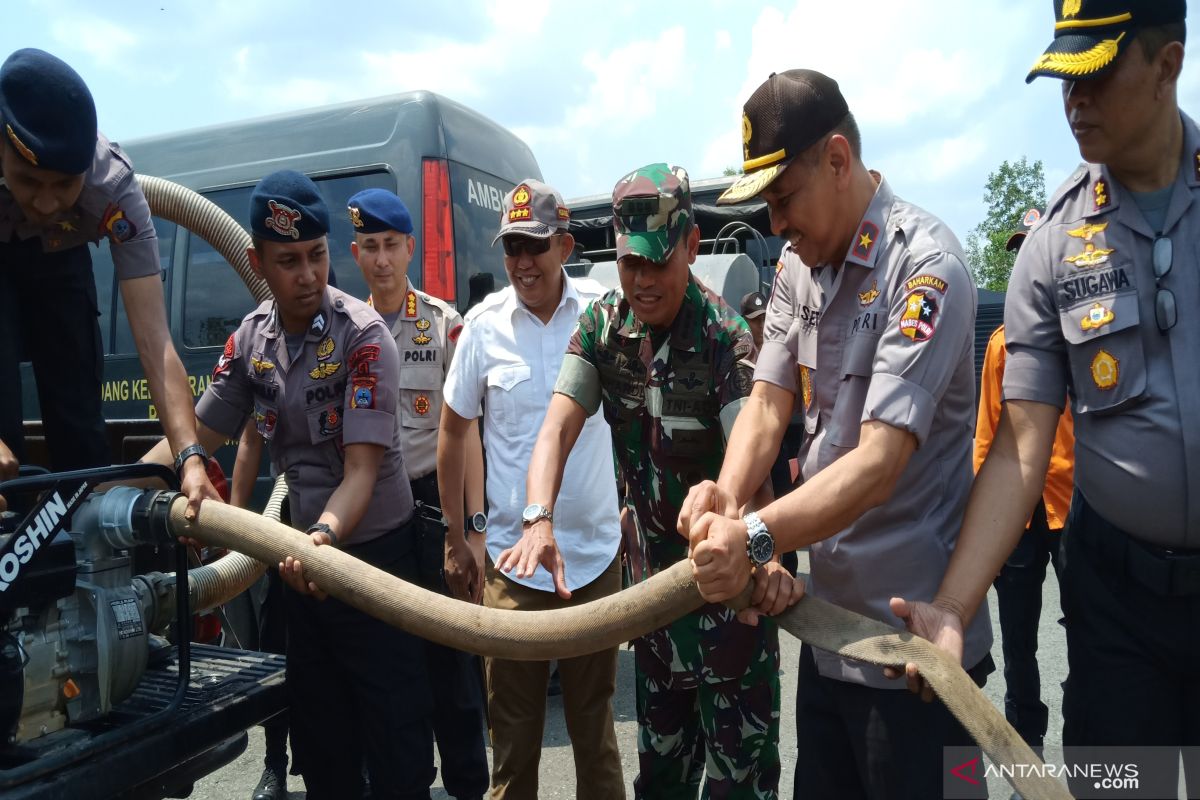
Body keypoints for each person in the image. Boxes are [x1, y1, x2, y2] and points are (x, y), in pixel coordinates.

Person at [895, 2, 1199, 794]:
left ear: (1168, 64)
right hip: (1117, 608)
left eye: (1095, 74)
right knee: (1124, 783)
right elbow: (1023, 445)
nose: (1074, 100)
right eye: (1064, 79)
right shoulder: (1052, 244)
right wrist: (955, 607)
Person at [679, 70, 993, 799]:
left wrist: (753, 538)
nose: (776, 223)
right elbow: (766, 402)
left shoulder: (925, 268)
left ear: (839, 160)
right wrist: (725, 500)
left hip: (922, 663)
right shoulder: (798, 268)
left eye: (783, 198)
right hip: (829, 643)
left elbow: (879, 463)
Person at [146, 169, 434, 799]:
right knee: (323, 748)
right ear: (257, 262)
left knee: (398, 752)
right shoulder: (253, 341)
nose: (307, 275)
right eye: (288, 262)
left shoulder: (363, 336)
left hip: (376, 568)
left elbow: (361, 470)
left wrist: (320, 539)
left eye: (317, 256)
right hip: (303, 568)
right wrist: (125, 484)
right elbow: (196, 430)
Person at [517, 163, 792, 799]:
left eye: (656, 263)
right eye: (627, 264)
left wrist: (768, 552)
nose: (641, 282)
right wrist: (538, 518)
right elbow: (556, 429)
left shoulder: (725, 339)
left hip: (730, 619)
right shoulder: (604, 328)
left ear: (691, 246)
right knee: (661, 787)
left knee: (737, 790)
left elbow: (752, 475)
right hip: (655, 618)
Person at [439, 179, 624, 800]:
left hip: (594, 560)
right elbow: (453, 429)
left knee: (595, 734)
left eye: (534, 246)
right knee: (513, 747)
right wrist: (461, 534)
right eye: (511, 247)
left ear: (566, 246)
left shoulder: (606, 311)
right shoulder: (484, 326)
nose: (521, 261)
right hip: (512, 573)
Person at [0, 48, 218, 516]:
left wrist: (189, 456)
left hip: (61, 261)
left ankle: (80, 554)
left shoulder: (113, 188)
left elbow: (155, 341)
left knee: (79, 425)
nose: (43, 202)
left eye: (64, 185)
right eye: (29, 180)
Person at [347, 187, 488, 800]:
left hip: (432, 503)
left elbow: (468, 433)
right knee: (387, 662)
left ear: (410, 248)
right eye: (370, 248)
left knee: (450, 658)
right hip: (373, 509)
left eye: (391, 246)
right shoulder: (344, 328)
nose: (382, 260)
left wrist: (473, 531)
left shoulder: (444, 322)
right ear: (357, 254)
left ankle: (466, 784)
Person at [975, 207, 1075, 771]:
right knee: (1017, 635)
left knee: (1086, 627)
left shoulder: (1080, 335)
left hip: (1069, 505)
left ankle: (1087, 734)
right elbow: (988, 433)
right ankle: (1024, 744)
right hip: (1017, 513)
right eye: (1018, 254)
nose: (1022, 265)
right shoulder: (999, 345)